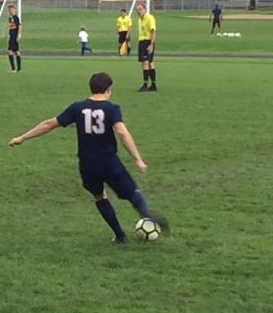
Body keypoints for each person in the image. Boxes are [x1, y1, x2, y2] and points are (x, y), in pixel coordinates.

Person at [9, 71, 166, 243]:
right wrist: (137, 159)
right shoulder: (111, 108)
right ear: (108, 89)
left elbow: (49, 124)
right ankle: (145, 213)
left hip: (87, 164)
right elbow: (121, 132)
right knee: (133, 193)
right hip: (108, 162)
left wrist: (22, 137)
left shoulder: (78, 107)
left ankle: (120, 236)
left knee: (99, 196)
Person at [135, 2, 158, 92]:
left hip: (147, 41)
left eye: (140, 9)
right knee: (149, 63)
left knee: (145, 63)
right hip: (142, 41)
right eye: (137, 10)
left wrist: (151, 44)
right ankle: (153, 84)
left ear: (145, 9)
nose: (138, 11)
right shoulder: (140, 20)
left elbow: (153, 31)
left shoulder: (149, 18)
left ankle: (145, 84)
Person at [6, 3, 22, 72]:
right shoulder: (10, 18)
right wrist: (9, 35)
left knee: (12, 51)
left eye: (11, 9)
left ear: (14, 10)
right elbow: (11, 28)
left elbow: (20, 26)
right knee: (14, 51)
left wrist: (19, 35)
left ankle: (14, 68)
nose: (10, 11)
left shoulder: (16, 17)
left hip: (15, 36)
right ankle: (17, 69)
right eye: (9, 10)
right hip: (11, 36)